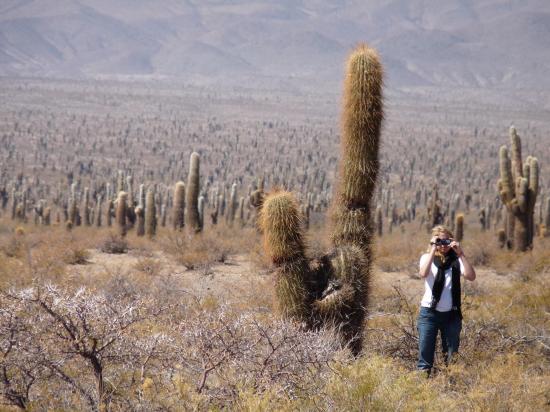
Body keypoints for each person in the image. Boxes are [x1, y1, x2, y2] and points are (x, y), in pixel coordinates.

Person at [417, 225, 476, 375]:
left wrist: (461, 253)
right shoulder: (426, 257)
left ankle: (449, 388)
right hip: (429, 313)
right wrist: (432, 249)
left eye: (446, 241)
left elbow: (471, 276)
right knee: (425, 356)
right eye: (440, 241)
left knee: (451, 356)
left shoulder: (457, 260)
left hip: (452, 314)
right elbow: (423, 273)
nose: (443, 245)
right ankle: (422, 389)